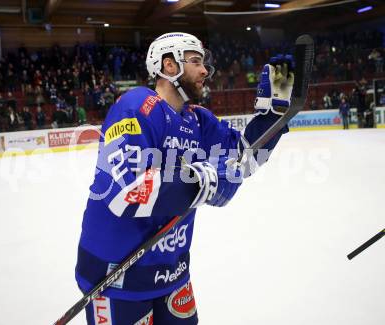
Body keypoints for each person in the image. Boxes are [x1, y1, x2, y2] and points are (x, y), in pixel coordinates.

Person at [75, 32, 294, 325]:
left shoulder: (197, 119)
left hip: (171, 272)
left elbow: (244, 158)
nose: (205, 70)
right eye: (195, 61)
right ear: (169, 65)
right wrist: (201, 181)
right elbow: (127, 193)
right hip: (116, 277)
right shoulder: (137, 107)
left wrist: (274, 118)